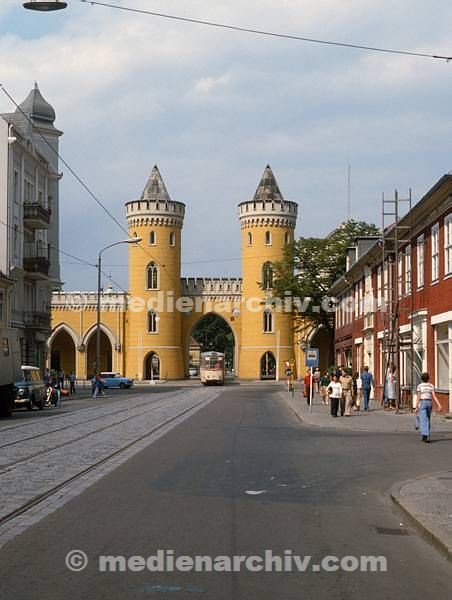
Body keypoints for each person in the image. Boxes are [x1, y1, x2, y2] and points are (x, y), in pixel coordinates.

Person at [415, 372, 442, 442]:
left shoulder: (420, 386)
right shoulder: (431, 386)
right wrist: (439, 404)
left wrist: (416, 406)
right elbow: (434, 396)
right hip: (429, 402)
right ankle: (425, 435)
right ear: (428, 378)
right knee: (428, 419)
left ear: (421, 379)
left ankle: (425, 435)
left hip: (423, 402)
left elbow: (418, 397)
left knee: (423, 419)